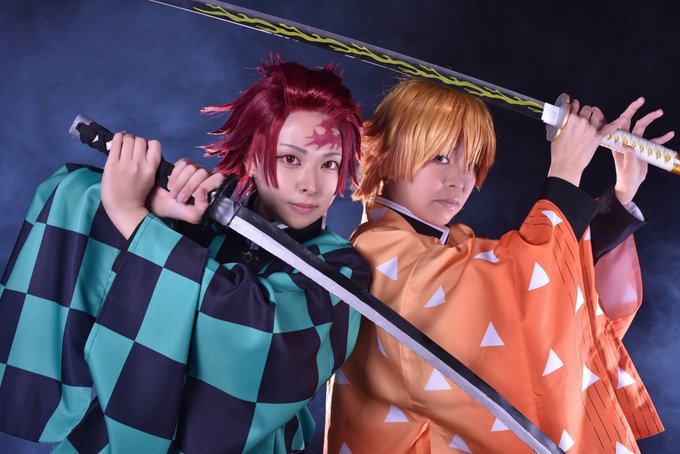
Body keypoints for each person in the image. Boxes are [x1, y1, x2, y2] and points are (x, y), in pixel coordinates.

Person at [0, 59, 370, 453]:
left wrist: (135, 218)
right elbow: (82, 213)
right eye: (290, 159)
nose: (310, 184)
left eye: (329, 164)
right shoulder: (204, 222)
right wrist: (160, 210)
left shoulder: (341, 269)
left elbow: (260, 334)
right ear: (252, 157)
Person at [325, 78, 671, 453]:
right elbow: (519, 294)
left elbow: (543, 289)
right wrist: (565, 171)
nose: (458, 180)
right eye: (440, 157)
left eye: (472, 163)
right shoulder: (380, 253)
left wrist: (621, 197)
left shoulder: (446, 244)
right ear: (387, 152)